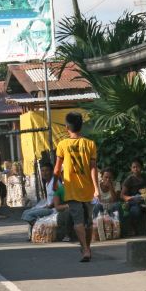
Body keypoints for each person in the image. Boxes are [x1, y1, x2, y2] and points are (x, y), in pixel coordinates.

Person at [54, 112, 100, 262]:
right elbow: (94, 168)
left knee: (78, 221)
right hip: (87, 189)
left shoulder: (62, 145)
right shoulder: (90, 144)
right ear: (81, 126)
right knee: (89, 222)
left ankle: (85, 249)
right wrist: (96, 188)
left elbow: (57, 169)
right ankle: (87, 248)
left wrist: (55, 183)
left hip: (72, 189)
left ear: (67, 127)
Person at [120, 159, 146, 236]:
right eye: (134, 167)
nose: (136, 169)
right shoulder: (129, 180)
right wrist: (132, 198)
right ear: (131, 169)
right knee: (135, 211)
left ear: (141, 168)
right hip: (135, 202)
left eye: (138, 167)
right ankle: (134, 230)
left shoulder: (145, 177)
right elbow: (122, 195)